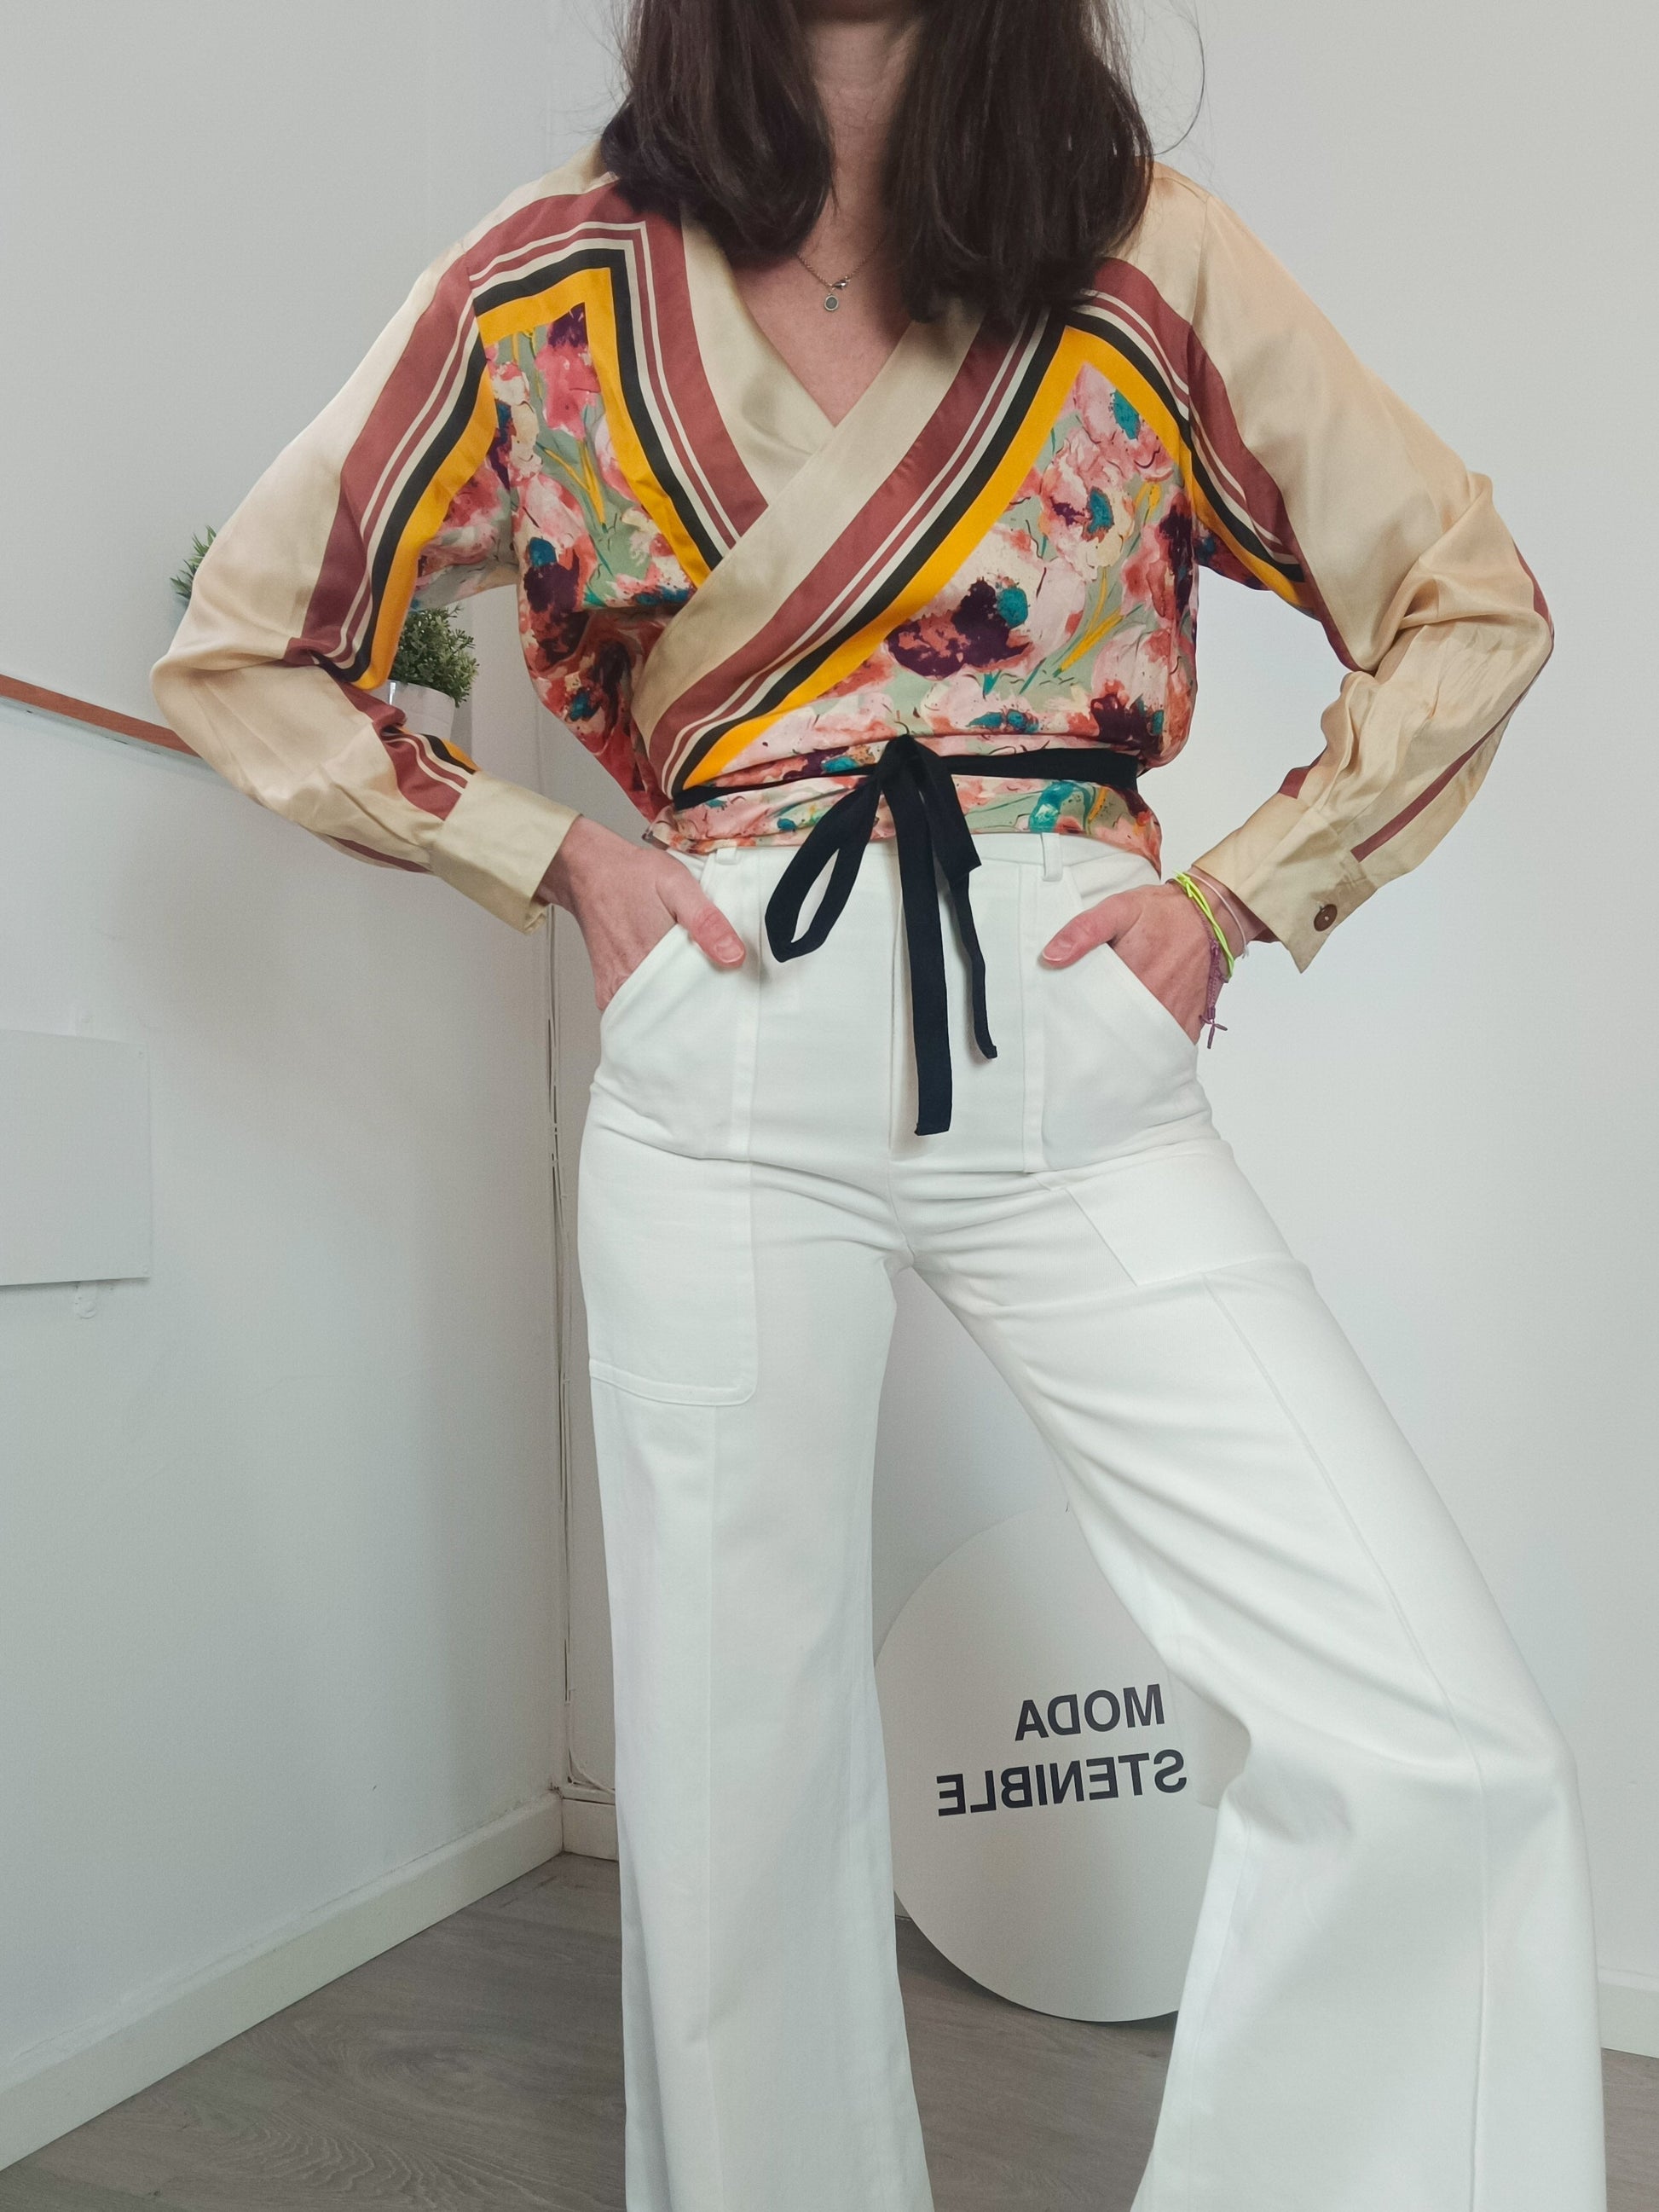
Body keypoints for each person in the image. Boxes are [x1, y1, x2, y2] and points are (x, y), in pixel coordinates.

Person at [151, 3, 1608, 2207]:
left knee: (1436, 1736)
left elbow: (1462, 600)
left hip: (1069, 1037)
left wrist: (1239, 895)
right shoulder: (550, 280)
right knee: (727, 1800)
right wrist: (552, 858)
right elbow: (247, 641)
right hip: (723, 1032)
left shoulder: (1137, 251)